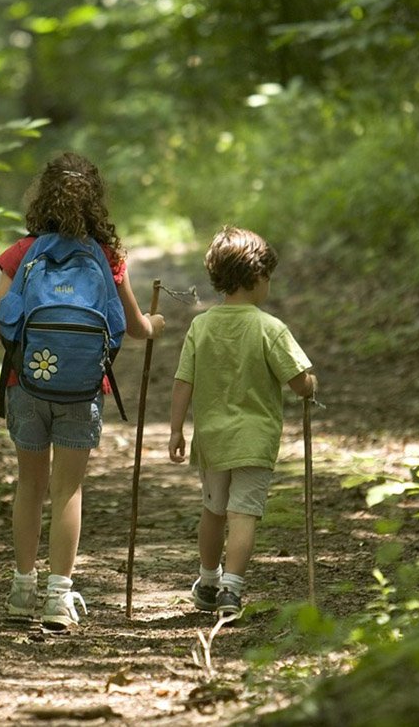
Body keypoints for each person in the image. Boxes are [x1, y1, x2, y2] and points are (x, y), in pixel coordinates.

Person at [0, 152, 165, 629]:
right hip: (81, 389)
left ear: (43, 196)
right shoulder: (107, 255)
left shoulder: (23, 251)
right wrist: (154, 323)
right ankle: (59, 596)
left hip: (25, 383)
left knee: (30, 486)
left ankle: (20, 589)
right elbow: (135, 328)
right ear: (96, 201)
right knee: (68, 488)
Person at [168, 226, 316, 618]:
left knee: (213, 510)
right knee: (244, 513)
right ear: (257, 277)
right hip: (254, 440)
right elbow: (299, 381)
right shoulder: (270, 328)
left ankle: (208, 581)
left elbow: (184, 380)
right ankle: (231, 590)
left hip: (213, 439)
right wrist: (311, 385)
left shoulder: (201, 326)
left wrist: (176, 429)